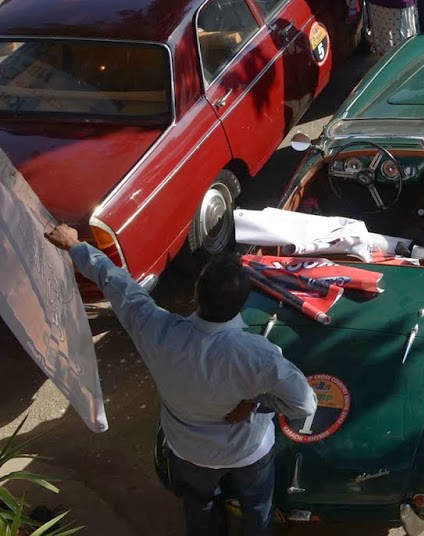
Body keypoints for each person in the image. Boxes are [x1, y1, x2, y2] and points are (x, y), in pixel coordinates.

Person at [43, 227, 314, 536]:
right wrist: (255, 403)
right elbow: (304, 405)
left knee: (199, 504)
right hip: (247, 451)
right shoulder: (259, 356)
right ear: (242, 304)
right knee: (256, 508)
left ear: (197, 292)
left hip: (187, 450)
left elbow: (117, 283)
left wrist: (75, 246)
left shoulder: (156, 330)